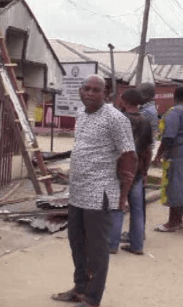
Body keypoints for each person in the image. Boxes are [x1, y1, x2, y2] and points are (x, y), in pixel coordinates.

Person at [51, 75, 137, 307]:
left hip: (100, 194)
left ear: (105, 94)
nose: (89, 93)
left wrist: (124, 194)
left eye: (95, 90)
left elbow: (129, 156)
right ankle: (80, 289)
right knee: (77, 243)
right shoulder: (81, 115)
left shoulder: (116, 119)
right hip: (78, 192)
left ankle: (92, 298)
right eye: (86, 89)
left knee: (97, 250)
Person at [108, 89, 153, 255]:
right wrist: (145, 171)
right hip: (137, 171)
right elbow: (148, 151)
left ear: (125, 100)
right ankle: (137, 245)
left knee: (118, 206)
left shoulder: (119, 120)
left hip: (120, 170)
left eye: (120, 98)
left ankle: (112, 244)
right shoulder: (146, 122)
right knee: (137, 209)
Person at [153, 84, 183, 232]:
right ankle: (179, 220)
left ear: (174, 96)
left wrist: (159, 154)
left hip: (177, 154)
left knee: (174, 186)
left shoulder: (175, 112)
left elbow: (168, 137)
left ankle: (173, 222)